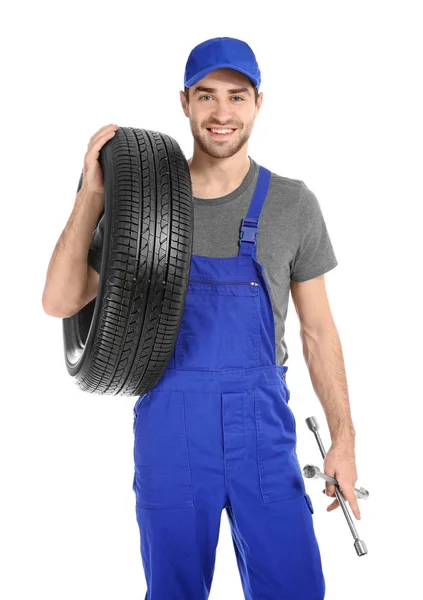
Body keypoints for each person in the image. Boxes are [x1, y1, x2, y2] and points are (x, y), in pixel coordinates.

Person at [42, 36, 360, 600]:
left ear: (258, 104)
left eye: (237, 97)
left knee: (296, 588)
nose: (221, 113)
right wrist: (92, 195)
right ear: (184, 102)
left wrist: (344, 439)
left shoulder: (293, 204)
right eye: (207, 96)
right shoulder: (144, 208)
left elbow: (319, 331)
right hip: (173, 434)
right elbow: (60, 302)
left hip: (263, 435)